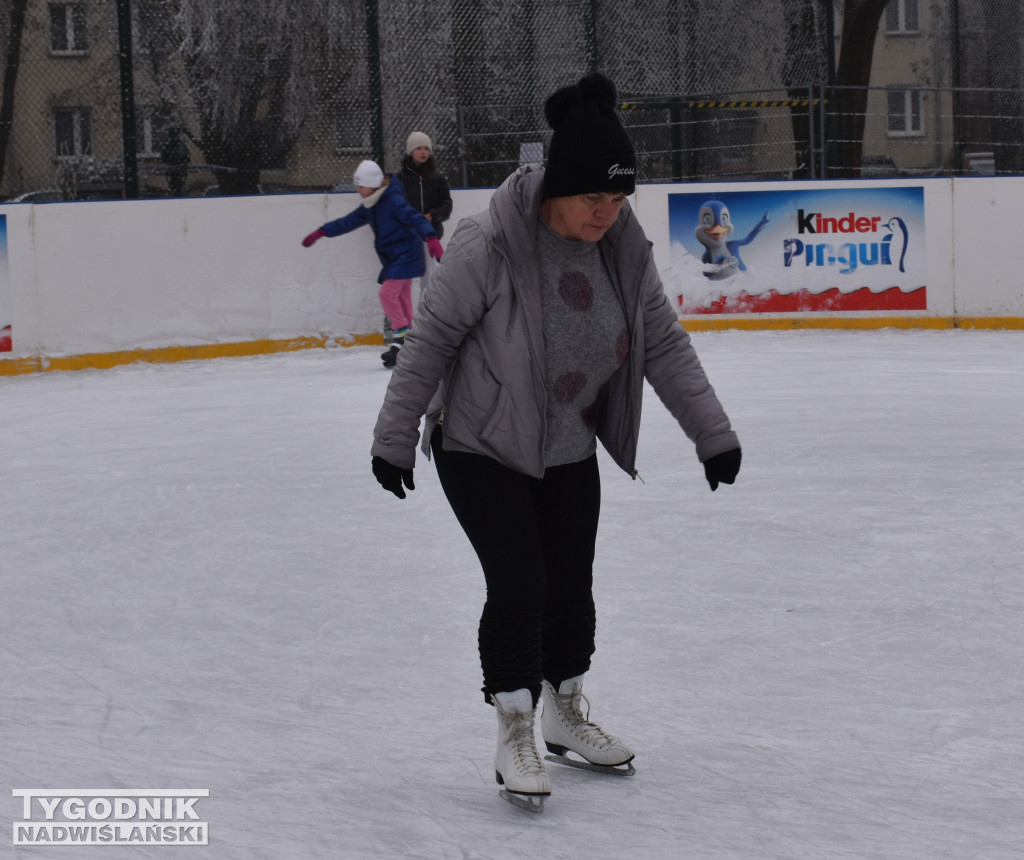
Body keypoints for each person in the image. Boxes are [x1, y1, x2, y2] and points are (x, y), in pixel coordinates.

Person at [369, 73, 742, 812]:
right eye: (592, 198)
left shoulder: (622, 248)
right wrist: (394, 437)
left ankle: (566, 713)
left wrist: (713, 434)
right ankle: (514, 728)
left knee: (573, 585)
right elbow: (431, 342)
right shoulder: (491, 242)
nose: (607, 212)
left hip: (568, 445)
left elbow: (661, 343)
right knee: (521, 584)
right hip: (481, 442)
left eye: (619, 198)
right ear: (555, 190)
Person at [301, 160, 444, 368]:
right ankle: (412, 345)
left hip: (407, 255)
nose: (358, 190)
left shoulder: (393, 200)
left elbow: (415, 218)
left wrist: (431, 238)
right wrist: (322, 232)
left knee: (387, 294)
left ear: (374, 184)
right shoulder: (371, 205)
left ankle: (401, 335)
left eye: (361, 186)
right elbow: (347, 222)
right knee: (402, 300)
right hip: (396, 258)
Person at [396, 131, 453, 297]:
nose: (423, 152)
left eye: (426, 148)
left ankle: (425, 317)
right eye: (418, 148)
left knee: (429, 279)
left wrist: (432, 216)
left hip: (429, 236)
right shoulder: (400, 178)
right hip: (407, 235)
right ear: (410, 151)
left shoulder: (438, 179)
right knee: (400, 280)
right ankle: (398, 320)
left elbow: (446, 205)